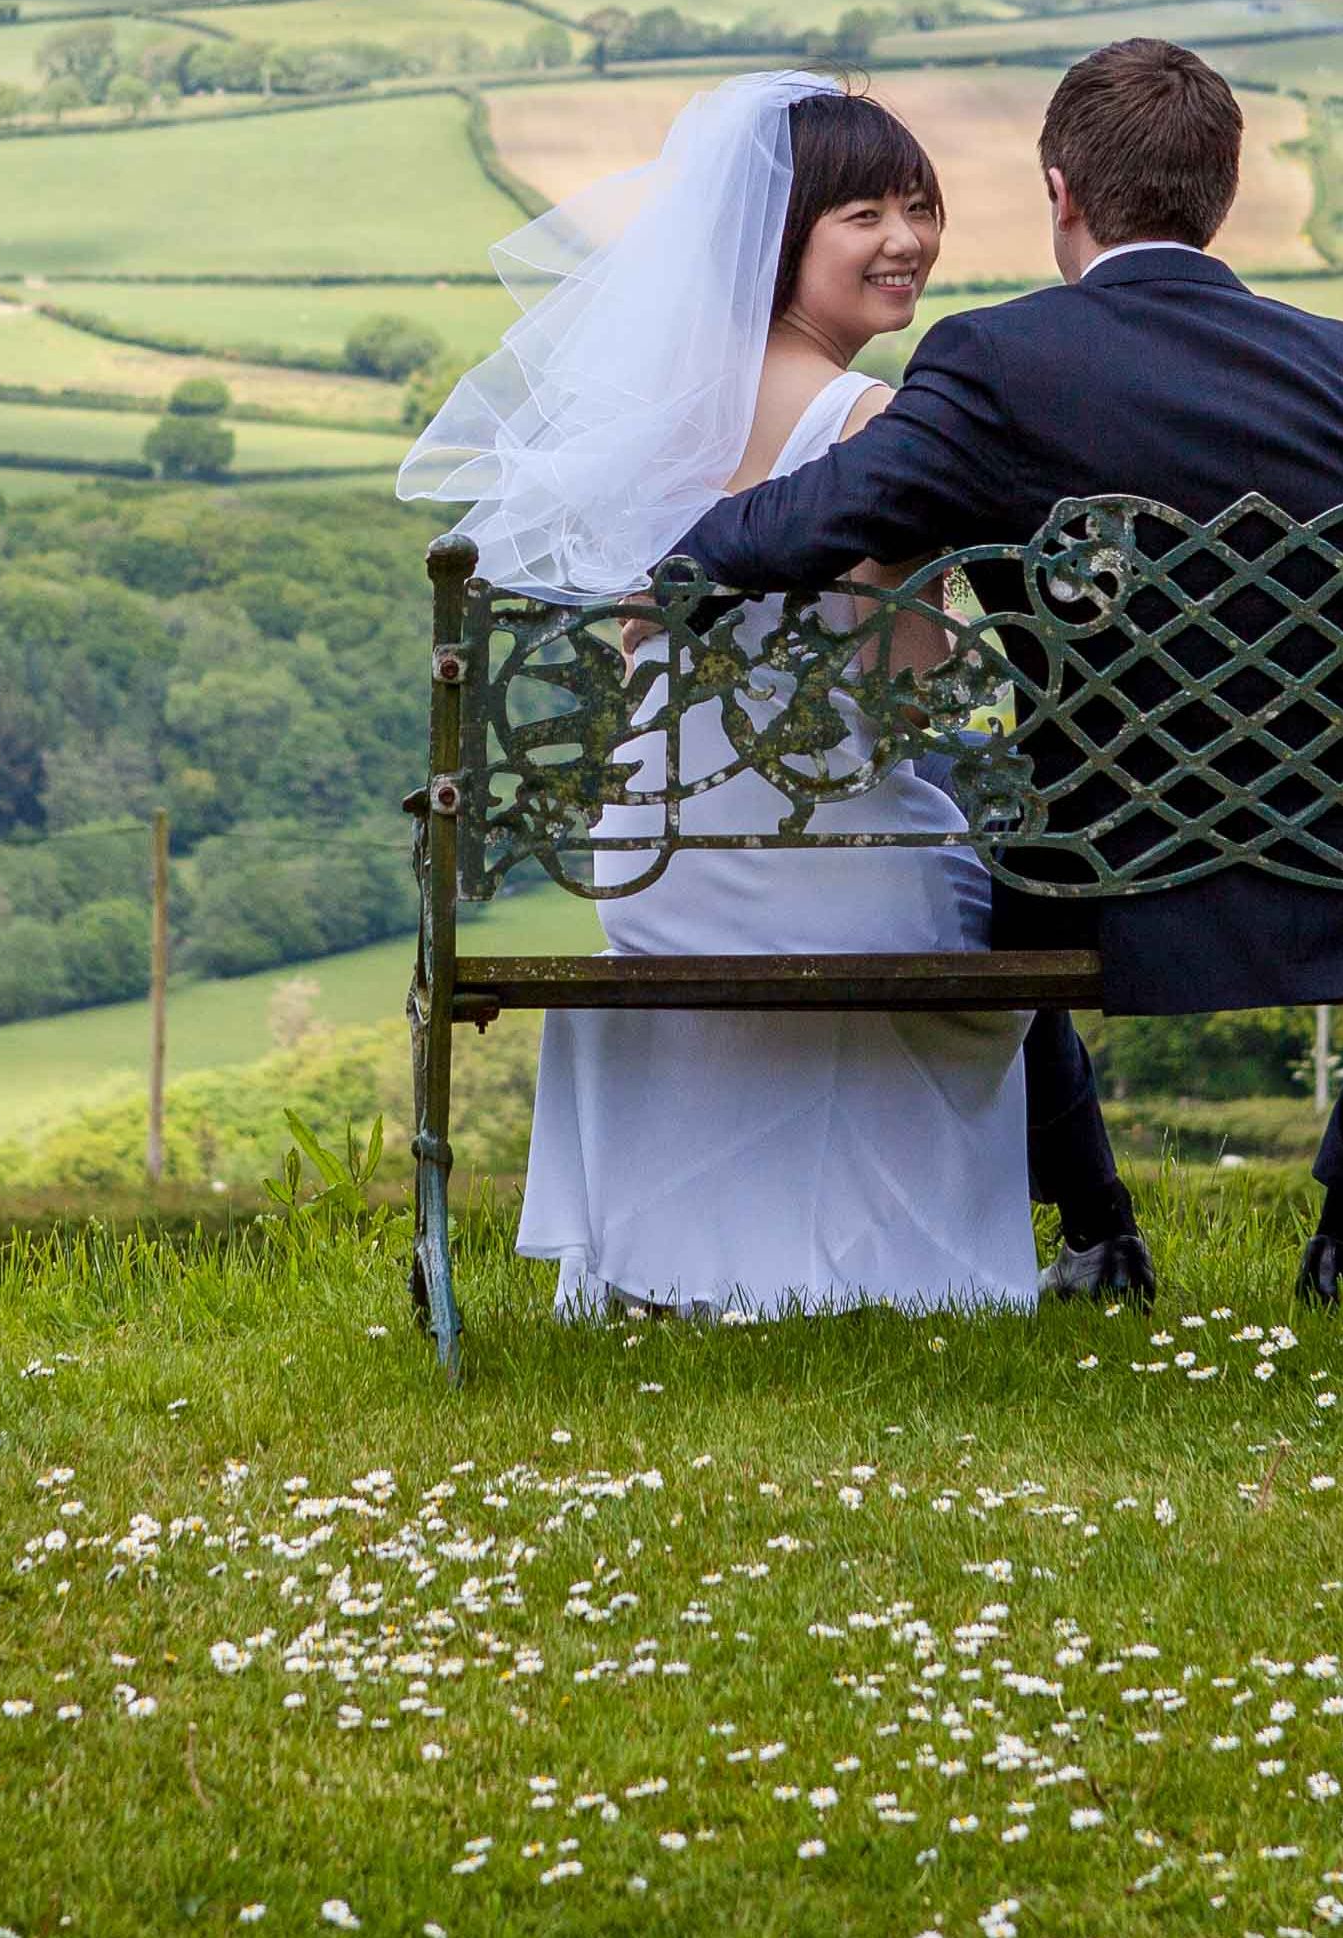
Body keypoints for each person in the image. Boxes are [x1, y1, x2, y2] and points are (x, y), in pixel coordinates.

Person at [657, 38, 1343, 1309]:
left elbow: (817, 519)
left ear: (1061, 191)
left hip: (1094, 864)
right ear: (1221, 189)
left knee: (967, 813)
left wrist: (667, 572)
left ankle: (1101, 1232)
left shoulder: (997, 361)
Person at [397, 72, 1036, 1319]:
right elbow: (896, 700)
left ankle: (682, 1269)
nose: (906, 240)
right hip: (826, 859)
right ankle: (950, 1262)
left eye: (920, 206)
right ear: (782, 238)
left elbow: (645, 658)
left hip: (652, 859)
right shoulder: (874, 424)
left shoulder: (658, 416)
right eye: (863, 215)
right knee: (1011, 891)